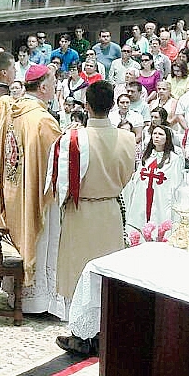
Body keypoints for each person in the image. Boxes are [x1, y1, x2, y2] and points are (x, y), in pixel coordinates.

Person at [53, 81, 137, 356]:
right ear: (113, 105)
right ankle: (104, 332)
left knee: (78, 274)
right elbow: (129, 175)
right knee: (106, 275)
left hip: (82, 210)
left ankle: (79, 335)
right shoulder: (128, 138)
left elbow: (60, 183)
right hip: (111, 210)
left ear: (86, 106)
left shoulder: (73, 138)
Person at [0, 64, 64, 315]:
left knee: (20, 237)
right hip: (37, 194)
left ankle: (17, 294)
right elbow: (55, 164)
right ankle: (40, 301)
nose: (57, 85)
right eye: (53, 81)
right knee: (43, 241)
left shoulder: (13, 113)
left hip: (14, 190)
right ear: (43, 87)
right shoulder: (42, 120)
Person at [127, 122, 186, 231]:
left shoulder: (174, 159)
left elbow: (177, 183)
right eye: (155, 133)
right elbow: (137, 179)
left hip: (161, 199)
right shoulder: (147, 156)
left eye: (160, 134)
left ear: (167, 138)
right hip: (142, 196)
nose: (157, 136)